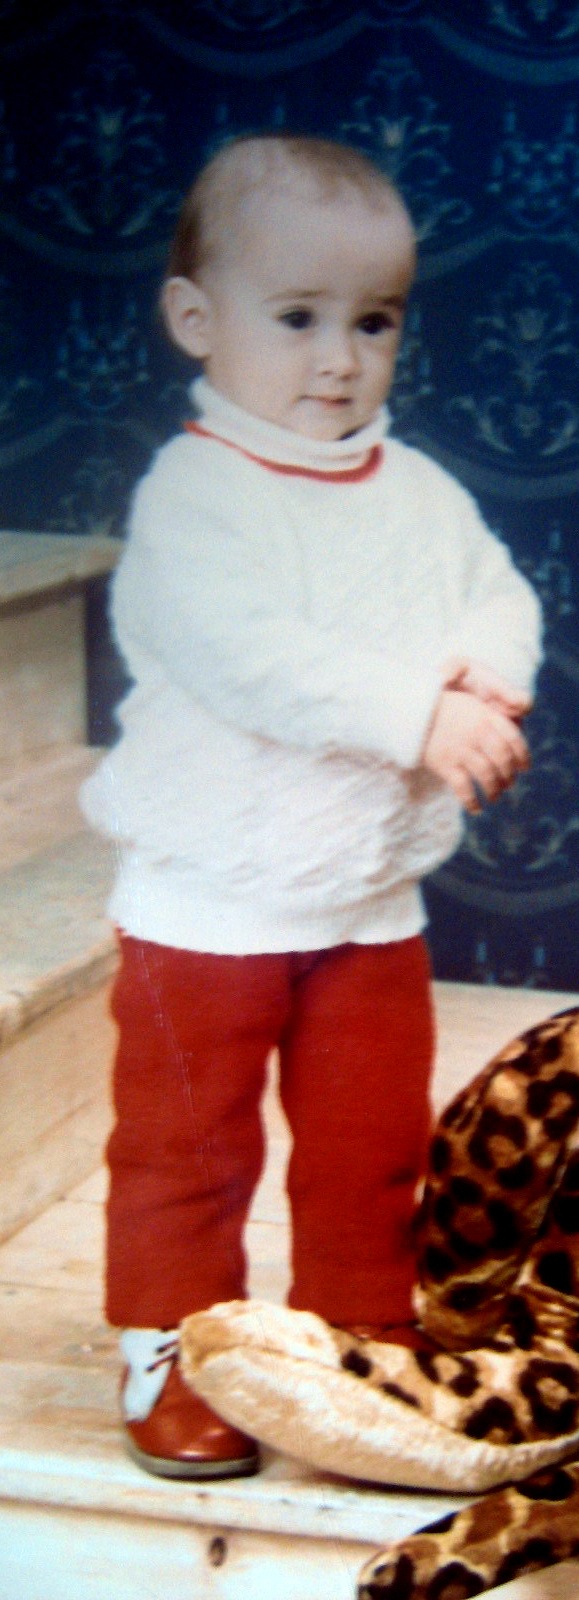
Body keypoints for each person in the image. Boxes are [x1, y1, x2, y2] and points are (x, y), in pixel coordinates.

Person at [81, 133, 542, 1481]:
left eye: (373, 322)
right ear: (196, 319)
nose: (338, 358)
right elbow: (250, 656)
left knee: (369, 1140)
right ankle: (173, 1343)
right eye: (296, 319)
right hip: (209, 897)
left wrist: (489, 672)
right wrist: (417, 713)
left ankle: (360, 1329)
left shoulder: (418, 492)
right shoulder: (194, 496)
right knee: (188, 1144)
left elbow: (495, 592)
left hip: (367, 891)